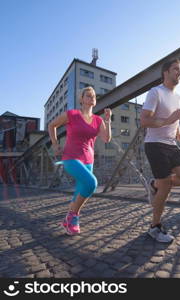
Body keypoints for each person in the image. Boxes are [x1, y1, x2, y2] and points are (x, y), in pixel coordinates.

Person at [140, 58, 180, 243]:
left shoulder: (178, 97)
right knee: (166, 185)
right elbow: (144, 120)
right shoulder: (155, 92)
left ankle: (155, 184)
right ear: (165, 72)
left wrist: (179, 134)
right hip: (155, 143)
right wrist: (167, 121)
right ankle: (154, 227)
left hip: (172, 145)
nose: (178, 72)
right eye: (175, 69)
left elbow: (175, 121)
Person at [48, 86, 112, 235]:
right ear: (81, 99)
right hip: (70, 157)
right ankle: (73, 216)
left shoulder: (98, 120)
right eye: (88, 96)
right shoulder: (72, 114)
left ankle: (68, 221)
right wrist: (55, 144)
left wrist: (107, 121)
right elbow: (52, 125)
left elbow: (106, 139)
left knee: (80, 191)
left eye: (94, 96)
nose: (92, 98)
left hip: (88, 160)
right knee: (91, 183)